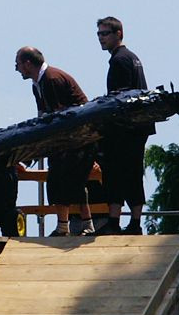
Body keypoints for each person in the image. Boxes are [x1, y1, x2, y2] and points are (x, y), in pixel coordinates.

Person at [15, 46, 96, 237]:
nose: (17, 69)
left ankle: (67, 226)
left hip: (76, 139)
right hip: (66, 140)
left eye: (17, 64)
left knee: (65, 180)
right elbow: (43, 116)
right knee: (65, 181)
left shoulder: (51, 79)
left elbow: (60, 116)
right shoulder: (38, 83)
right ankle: (77, 225)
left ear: (28, 63)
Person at [95, 16, 155, 235]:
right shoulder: (132, 57)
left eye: (105, 33)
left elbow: (117, 98)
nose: (101, 38)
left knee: (115, 173)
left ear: (118, 33)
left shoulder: (119, 60)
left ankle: (114, 220)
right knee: (133, 172)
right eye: (99, 34)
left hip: (125, 128)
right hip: (139, 127)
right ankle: (135, 223)